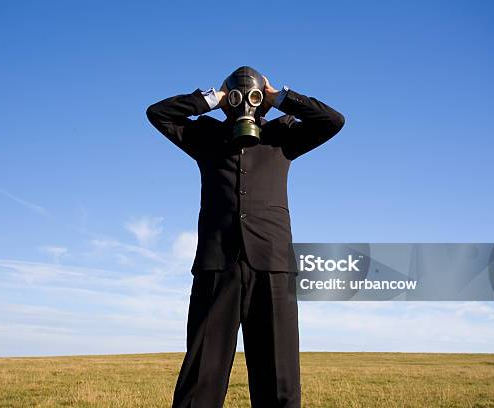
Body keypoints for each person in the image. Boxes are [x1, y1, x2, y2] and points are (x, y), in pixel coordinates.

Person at [146, 66, 345, 408]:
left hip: (273, 265)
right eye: (239, 97)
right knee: (200, 381)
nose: (245, 105)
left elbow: (333, 121)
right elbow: (158, 114)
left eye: (251, 97)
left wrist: (278, 97)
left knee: (279, 380)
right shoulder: (206, 138)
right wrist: (213, 98)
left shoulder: (283, 136)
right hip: (217, 265)